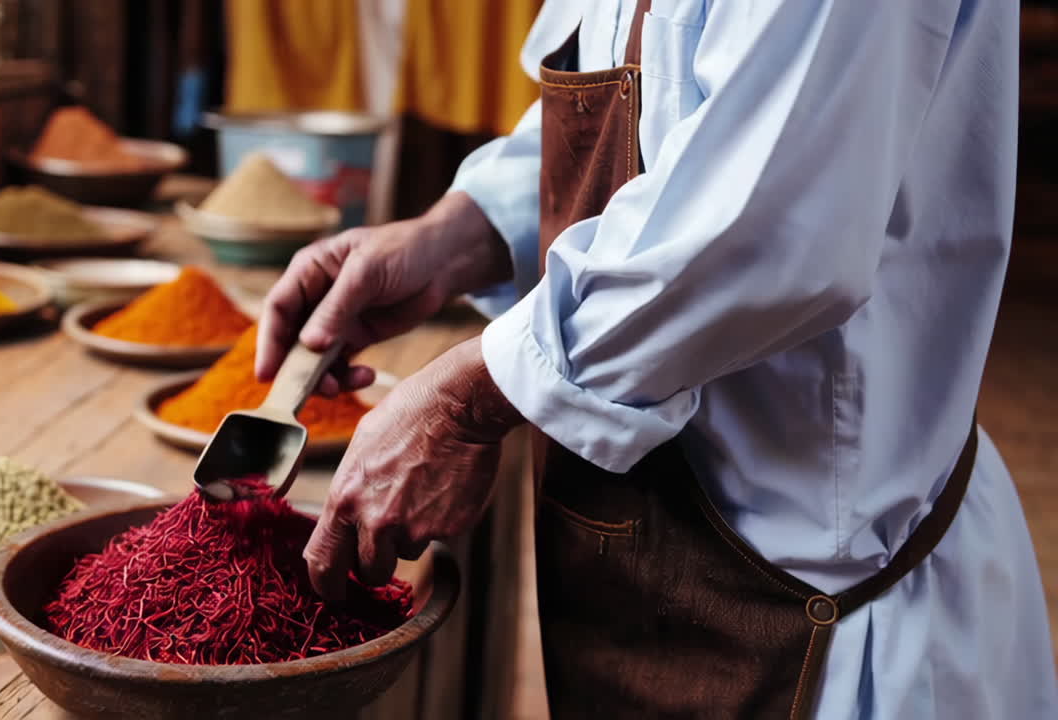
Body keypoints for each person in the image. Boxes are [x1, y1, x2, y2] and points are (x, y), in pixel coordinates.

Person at [255, 1, 1058, 717]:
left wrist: (468, 399)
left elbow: (771, 230)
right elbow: (649, 99)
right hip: (645, 578)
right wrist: (460, 234)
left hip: (813, 608)